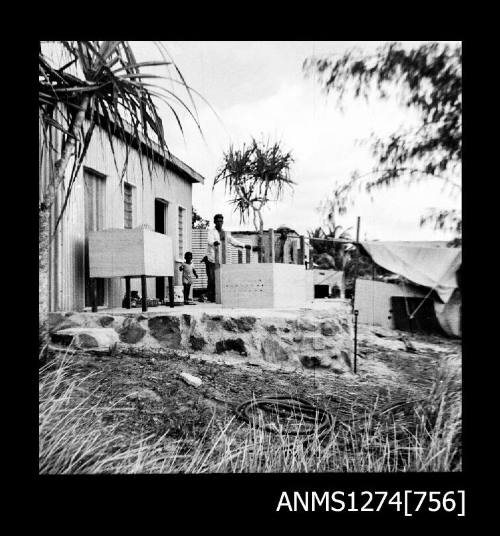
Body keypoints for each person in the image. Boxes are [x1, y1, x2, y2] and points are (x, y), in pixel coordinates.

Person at [206, 214, 250, 302]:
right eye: (217, 221)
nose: (219, 223)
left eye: (221, 221)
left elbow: (232, 241)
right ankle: (211, 298)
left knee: (221, 278)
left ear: (223, 222)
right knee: (212, 279)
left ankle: (219, 297)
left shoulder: (225, 233)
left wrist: (244, 245)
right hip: (212, 259)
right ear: (214, 222)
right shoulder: (211, 232)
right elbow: (209, 240)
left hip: (222, 259)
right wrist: (214, 242)